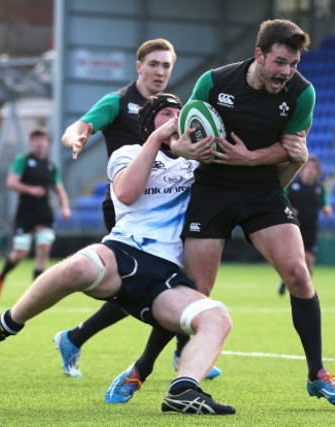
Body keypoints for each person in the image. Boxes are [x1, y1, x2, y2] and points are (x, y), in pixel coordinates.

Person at [114, 19, 335, 407]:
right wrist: (183, 148)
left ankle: (318, 374)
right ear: (259, 55)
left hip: (262, 190)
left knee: (298, 273)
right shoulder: (214, 82)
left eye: (293, 64)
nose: (287, 72)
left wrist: (251, 158)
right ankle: (141, 369)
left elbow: (293, 148)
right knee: (194, 293)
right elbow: (183, 134)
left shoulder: (302, 93)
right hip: (212, 189)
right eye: (280, 62)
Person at [0, 94, 236, 415]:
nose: (177, 118)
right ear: (149, 124)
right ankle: (4, 326)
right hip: (122, 254)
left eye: (181, 113)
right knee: (76, 267)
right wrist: (159, 140)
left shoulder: (202, 164)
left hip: (168, 280)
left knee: (217, 318)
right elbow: (127, 193)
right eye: (167, 114)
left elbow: (250, 190)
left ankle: (183, 390)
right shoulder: (128, 153)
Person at [51, 38, 222, 380]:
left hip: (171, 203)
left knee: (170, 281)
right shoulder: (118, 102)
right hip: (129, 205)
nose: (160, 71)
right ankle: (175, 349)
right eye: (154, 64)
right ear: (139, 66)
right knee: (144, 285)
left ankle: (174, 348)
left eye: (166, 66)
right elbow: (78, 127)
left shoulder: (175, 110)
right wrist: (77, 138)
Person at [0, 127, 71, 300]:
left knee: (44, 247)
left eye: (42, 140)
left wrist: (65, 207)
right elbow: (11, 183)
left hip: (44, 213)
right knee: (20, 252)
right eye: (36, 140)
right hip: (25, 213)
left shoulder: (51, 166)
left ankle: (36, 292)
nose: (39, 143)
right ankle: (1, 276)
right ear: (31, 142)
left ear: (47, 143)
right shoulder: (23, 160)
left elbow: (59, 189)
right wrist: (30, 189)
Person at [278, 154, 333, 296]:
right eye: (308, 167)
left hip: (311, 228)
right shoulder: (293, 185)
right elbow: (280, 199)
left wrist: (327, 208)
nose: (310, 170)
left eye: (313, 168)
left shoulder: (320, 189)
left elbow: (325, 203)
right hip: (293, 227)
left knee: (308, 262)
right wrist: (290, 209)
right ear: (302, 169)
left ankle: (305, 288)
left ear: (317, 171)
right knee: (293, 261)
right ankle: (287, 282)